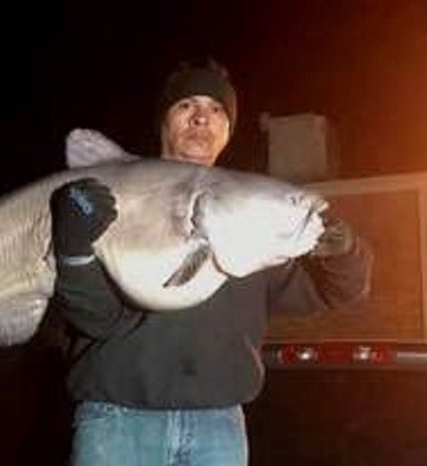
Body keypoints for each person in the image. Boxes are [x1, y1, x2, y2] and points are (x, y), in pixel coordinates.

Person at [49, 59, 373, 466]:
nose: (203, 117)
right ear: (163, 120)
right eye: (186, 104)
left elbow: (337, 292)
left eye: (217, 109)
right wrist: (75, 251)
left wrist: (343, 254)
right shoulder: (105, 199)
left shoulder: (252, 230)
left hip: (217, 429)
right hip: (117, 423)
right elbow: (94, 319)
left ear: (227, 130)